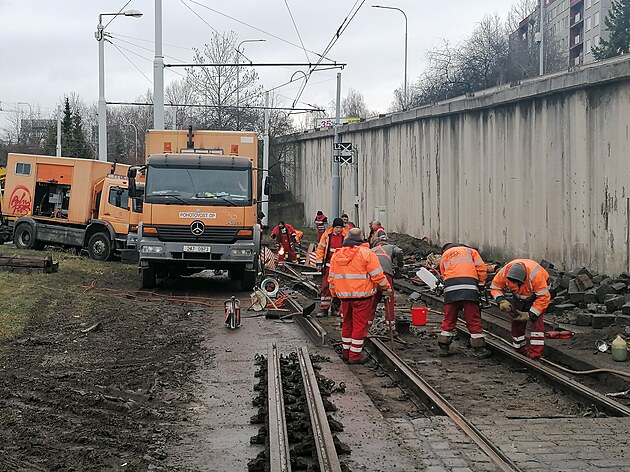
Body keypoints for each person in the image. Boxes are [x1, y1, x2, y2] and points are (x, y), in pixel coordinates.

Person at [328, 228, 392, 364]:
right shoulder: (366, 254)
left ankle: (346, 352)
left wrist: (334, 294)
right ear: (362, 238)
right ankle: (355, 356)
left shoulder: (337, 255)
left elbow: (332, 278)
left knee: (346, 324)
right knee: (359, 326)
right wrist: (387, 287)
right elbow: (377, 276)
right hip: (362, 297)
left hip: (344, 298)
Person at [438, 243, 491, 359]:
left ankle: (443, 345)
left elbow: (443, 274)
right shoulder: (471, 251)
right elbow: (481, 268)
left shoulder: (444, 255)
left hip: (450, 289)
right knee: (473, 319)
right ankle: (479, 349)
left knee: (449, 318)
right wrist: (481, 284)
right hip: (469, 288)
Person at [490, 259, 551, 359]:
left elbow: (543, 298)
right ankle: (519, 350)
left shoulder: (536, 277)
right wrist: (501, 300)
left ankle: (535, 355)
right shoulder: (504, 273)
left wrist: (530, 314)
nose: (515, 284)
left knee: (536, 324)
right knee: (517, 321)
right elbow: (495, 287)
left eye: (518, 283)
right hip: (518, 297)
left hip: (537, 296)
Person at [371, 235, 404, 336]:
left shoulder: (371, 250)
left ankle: (366, 326)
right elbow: (399, 252)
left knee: (372, 302)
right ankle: (391, 329)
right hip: (386, 275)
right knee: (389, 301)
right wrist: (400, 265)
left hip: (373, 277)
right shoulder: (391, 247)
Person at [315, 218, 348, 316]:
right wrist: (319, 263)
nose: (339, 230)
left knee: (338, 288)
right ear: (333, 227)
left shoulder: (345, 235)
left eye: (340, 227)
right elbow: (321, 249)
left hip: (340, 266)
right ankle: (324, 309)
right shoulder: (327, 235)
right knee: (325, 287)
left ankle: (335, 309)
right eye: (337, 227)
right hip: (329, 266)